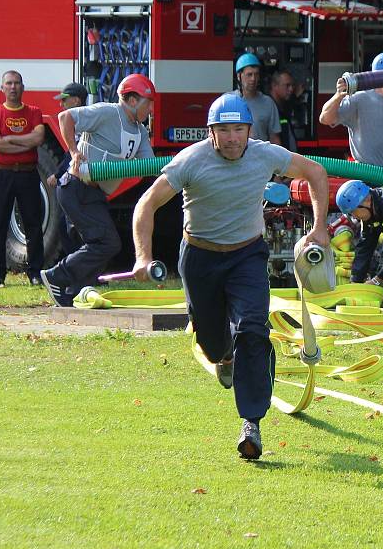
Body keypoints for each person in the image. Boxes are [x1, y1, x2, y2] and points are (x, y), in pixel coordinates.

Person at [131, 93, 329, 460]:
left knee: (253, 329)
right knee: (212, 342)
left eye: (239, 129)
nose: (233, 137)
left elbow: (316, 173)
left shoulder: (265, 154)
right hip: (200, 257)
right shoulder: (191, 160)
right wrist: (143, 256)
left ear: (249, 130)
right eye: (224, 130)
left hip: (247, 255)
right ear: (211, 132)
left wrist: (319, 228)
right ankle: (223, 357)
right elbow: (147, 204)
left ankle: (251, 423)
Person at [40, 73, 156, 307]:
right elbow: (65, 118)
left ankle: (71, 290)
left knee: (104, 242)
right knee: (106, 242)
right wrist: (74, 152)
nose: (151, 109)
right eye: (148, 103)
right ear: (132, 100)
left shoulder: (141, 132)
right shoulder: (107, 112)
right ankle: (56, 275)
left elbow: (151, 167)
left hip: (95, 194)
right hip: (75, 187)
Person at [0, 70, 45, 287]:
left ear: (23, 87)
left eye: (17, 83)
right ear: (2, 88)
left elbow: (38, 137)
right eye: (8, 83)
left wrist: (8, 138)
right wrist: (23, 141)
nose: (13, 87)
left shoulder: (34, 112)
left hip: (28, 173)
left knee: (33, 224)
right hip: (2, 173)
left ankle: (36, 273)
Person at [46, 82, 89, 257]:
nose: (61, 104)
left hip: (82, 184)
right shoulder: (83, 121)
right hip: (83, 183)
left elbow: (74, 156)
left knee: (70, 229)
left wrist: (57, 175)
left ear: (77, 101)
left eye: (65, 100)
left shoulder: (83, 124)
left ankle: (79, 269)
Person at [234, 53, 281, 144]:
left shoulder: (268, 103)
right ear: (239, 76)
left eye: (256, 74)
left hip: (261, 157)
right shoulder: (228, 101)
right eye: (249, 74)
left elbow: (274, 137)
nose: (253, 79)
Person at [268, 69, 297, 152]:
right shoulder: (268, 107)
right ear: (274, 85)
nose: (291, 89)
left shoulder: (284, 107)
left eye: (292, 85)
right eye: (287, 85)